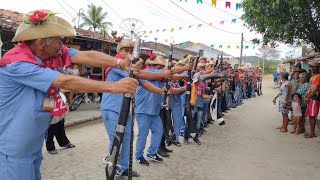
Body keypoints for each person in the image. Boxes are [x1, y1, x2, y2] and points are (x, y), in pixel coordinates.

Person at [0, 10, 141, 180]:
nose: (62, 44)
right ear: (39, 43)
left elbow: (84, 55)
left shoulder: (50, 52)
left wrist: (119, 63)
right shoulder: (17, 63)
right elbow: (65, 82)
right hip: (14, 145)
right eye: (58, 40)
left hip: (32, 142)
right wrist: (114, 87)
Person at [304, 62, 320, 138]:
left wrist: (308, 97)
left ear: (318, 68)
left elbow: (315, 88)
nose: (313, 68)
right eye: (312, 67)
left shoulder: (318, 76)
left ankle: (312, 133)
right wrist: (306, 95)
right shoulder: (312, 77)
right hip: (311, 98)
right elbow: (309, 88)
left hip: (315, 98)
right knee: (310, 116)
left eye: (315, 67)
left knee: (312, 116)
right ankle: (311, 132)